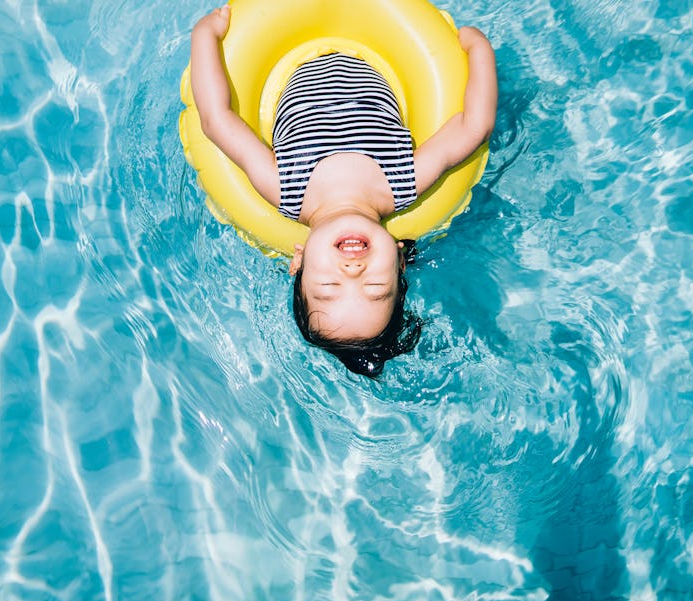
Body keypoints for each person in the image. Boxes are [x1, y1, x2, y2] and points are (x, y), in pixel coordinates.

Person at [190, 4, 497, 376]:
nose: (352, 271)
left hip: (295, 45)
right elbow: (473, 128)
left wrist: (205, 35)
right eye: (375, 287)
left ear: (298, 261)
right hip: (374, 38)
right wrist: (478, 48)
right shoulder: (405, 182)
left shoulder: (283, 187)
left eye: (329, 285)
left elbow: (217, 121)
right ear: (400, 261)